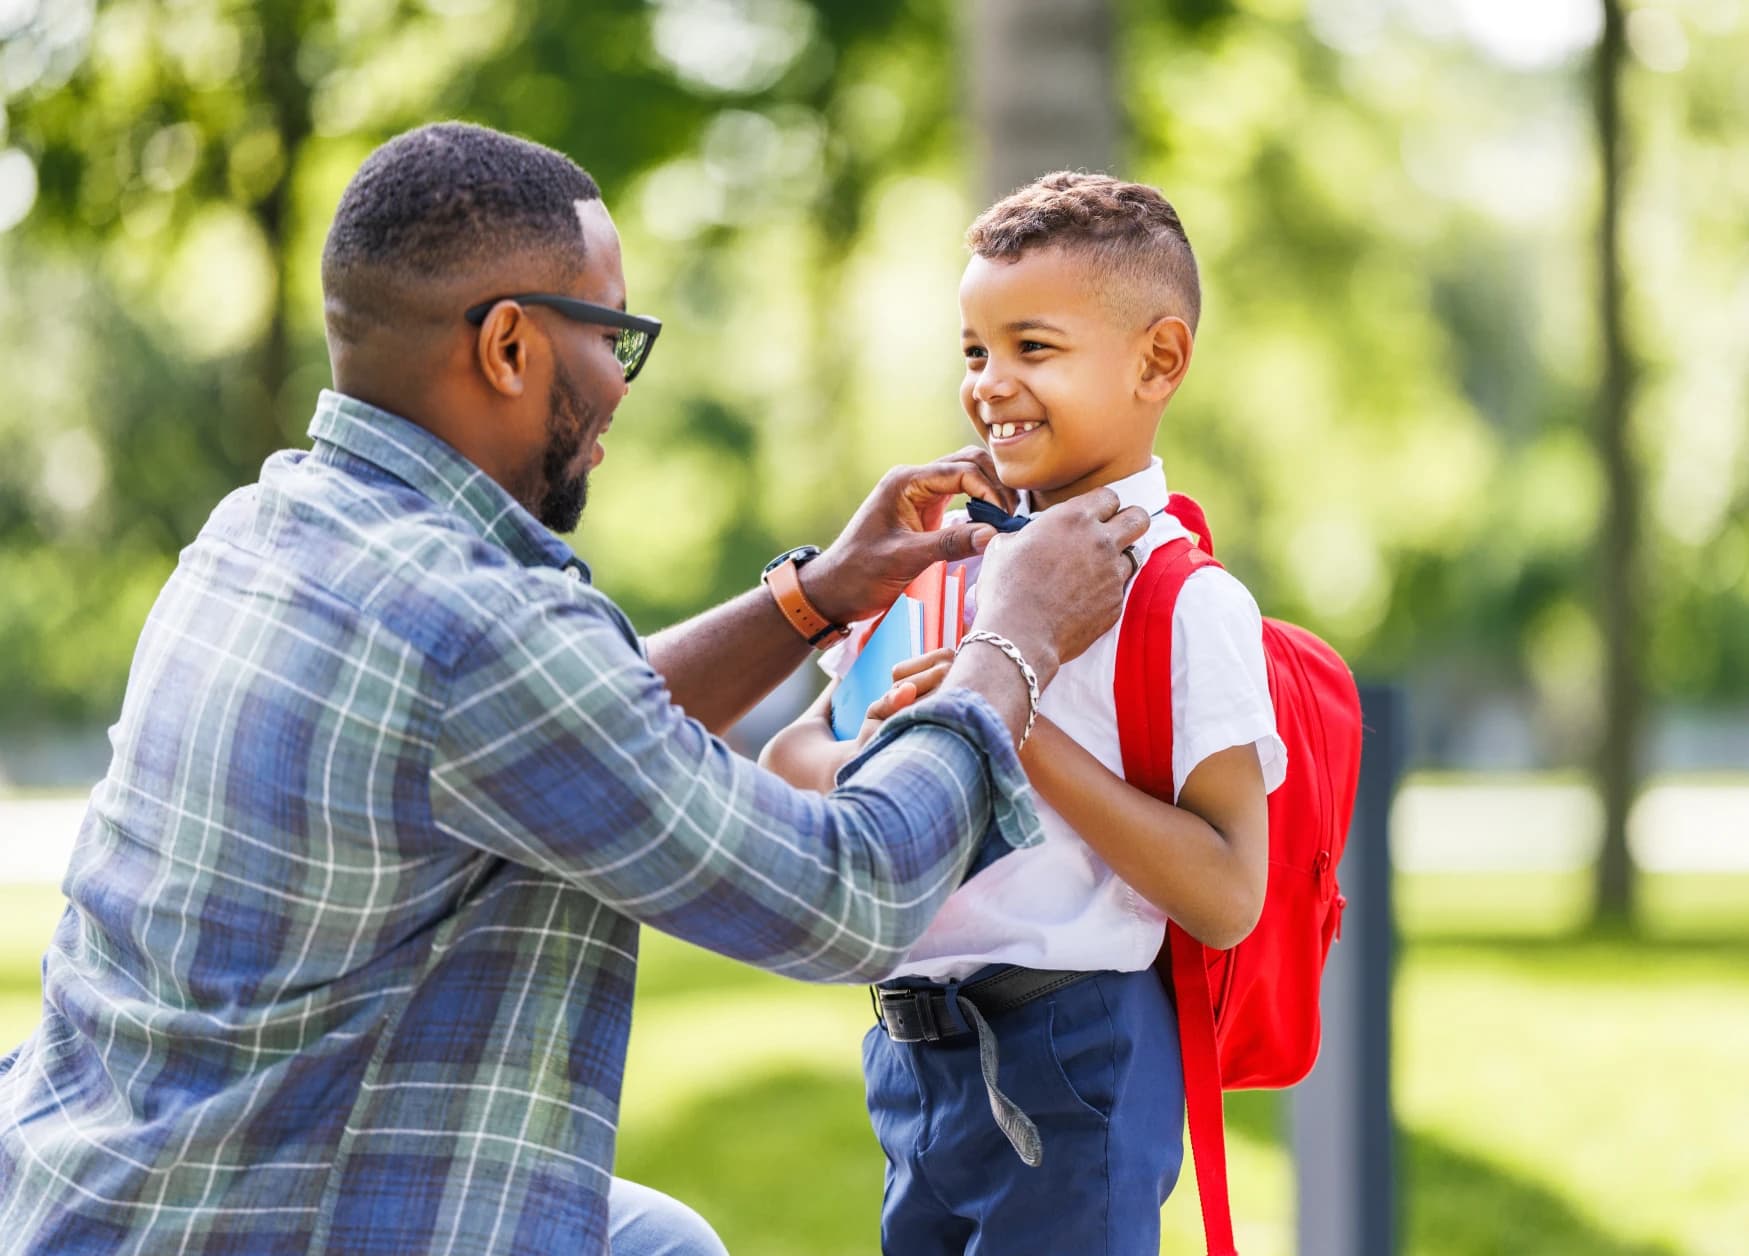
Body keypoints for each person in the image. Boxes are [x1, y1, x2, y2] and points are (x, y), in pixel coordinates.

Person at [0, 126, 1151, 1256]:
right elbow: (848, 897)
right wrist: (1015, 640)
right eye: (617, 337)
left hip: (107, 1189)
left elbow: (566, 732)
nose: (622, 383)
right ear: (509, 345)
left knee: (664, 1241)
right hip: (280, 1214)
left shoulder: (263, 530)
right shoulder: (475, 628)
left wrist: (814, 596)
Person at [760, 172, 1289, 1255]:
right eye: (973, 350)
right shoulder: (944, 566)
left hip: (1076, 1044)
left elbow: (1229, 891)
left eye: (1032, 347)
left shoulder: (1187, 603)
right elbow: (790, 755)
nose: (990, 384)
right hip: (916, 1057)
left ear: (1160, 360)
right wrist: (897, 742)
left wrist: (1006, 712)